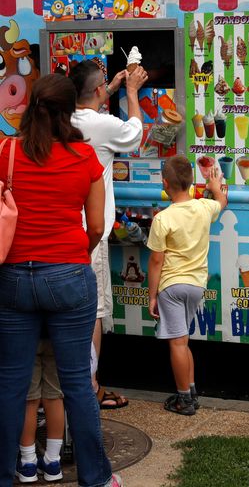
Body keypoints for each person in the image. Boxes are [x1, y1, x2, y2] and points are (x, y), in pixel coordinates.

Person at [0, 74, 123, 487]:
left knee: (12, 382)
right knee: (76, 384)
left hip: (14, 276)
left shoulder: (7, 152)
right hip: (70, 273)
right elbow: (97, 226)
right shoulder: (84, 157)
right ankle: (96, 478)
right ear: (70, 110)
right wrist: (77, 256)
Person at [71, 59, 149, 410]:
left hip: (63, 232)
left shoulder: (62, 118)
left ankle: (68, 386)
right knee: (93, 313)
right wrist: (132, 91)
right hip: (90, 233)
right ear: (98, 91)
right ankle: (89, 386)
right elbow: (134, 133)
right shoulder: (104, 125)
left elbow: (91, 115)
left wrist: (110, 89)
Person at [147, 156, 227, 416]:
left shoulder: (162, 219)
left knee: (177, 343)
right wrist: (214, 186)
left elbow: (156, 261)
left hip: (171, 286)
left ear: (165, 183)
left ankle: (184, 400)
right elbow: (221, 202)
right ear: (192, 183)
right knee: (184, 341)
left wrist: (152, 297)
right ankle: (190, 390)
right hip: (196, 285)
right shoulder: (204, 207)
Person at [15, 339, 65, 483]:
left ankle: (28, 462)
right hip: (55, 331)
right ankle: (53, 461)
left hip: (27, 330)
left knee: (29, 399)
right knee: (55, 396)